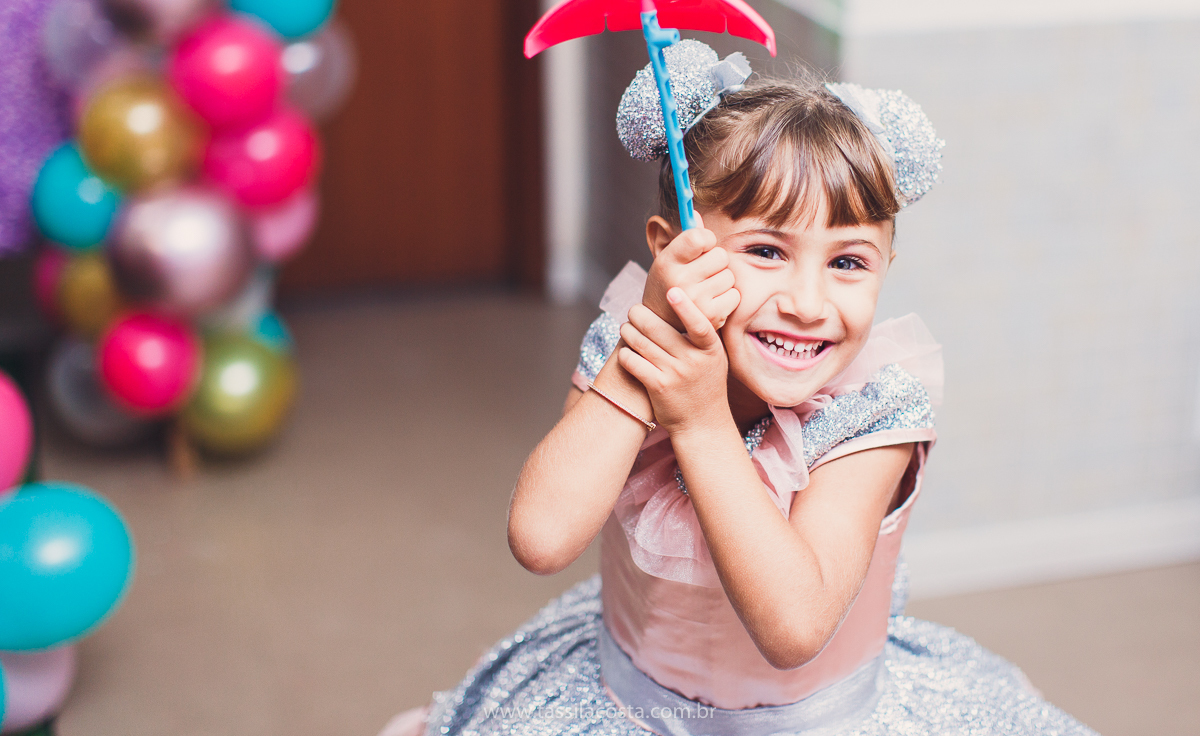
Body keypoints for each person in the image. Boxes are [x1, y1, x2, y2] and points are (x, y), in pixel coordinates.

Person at [380, 41, 1096, 736]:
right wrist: (643, 363)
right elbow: (541, 538)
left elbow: (794, 627)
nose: (809, 302)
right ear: (671, 250)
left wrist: (699, 423)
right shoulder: (629, 348)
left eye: (848, 262)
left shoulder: (872, 410)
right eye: (766, 251)